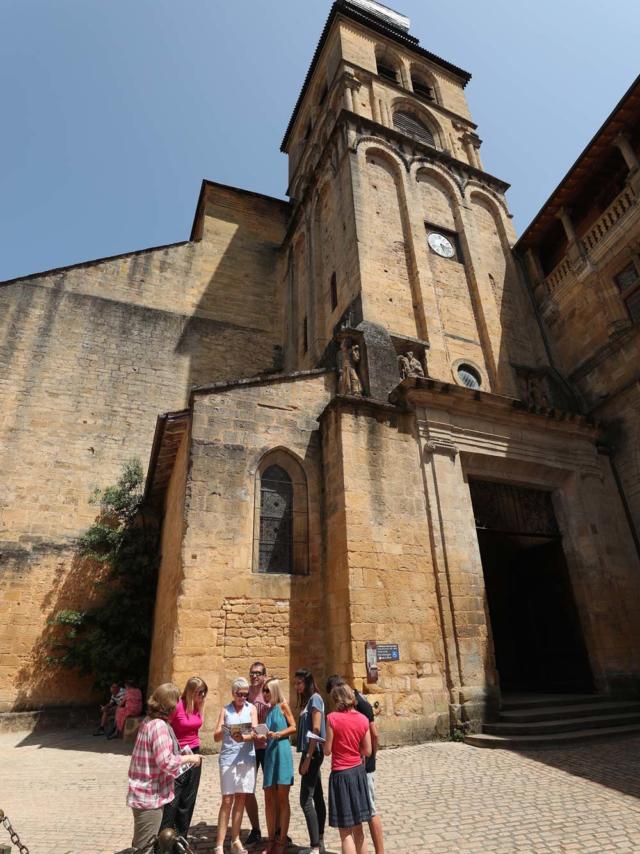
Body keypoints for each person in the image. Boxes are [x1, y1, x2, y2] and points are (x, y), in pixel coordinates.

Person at [126, 683, 202, 851]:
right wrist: (189, 758)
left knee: (143, 842)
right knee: (145, 847)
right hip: (149, 797)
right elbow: (165, 762)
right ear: (170, 705)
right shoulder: (159, 726)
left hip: (144, 793)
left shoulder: (149, 722)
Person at [326, 676, 384, 854]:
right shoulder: (362, 719)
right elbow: (367, 750)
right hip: (358, 773)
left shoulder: (331, 718)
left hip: (340, 774)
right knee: (359, 828)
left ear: (337, 700)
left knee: (345, 832)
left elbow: (327, 750)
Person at [214, 677, 259, 854]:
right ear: (233, 693)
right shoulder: (225, 710)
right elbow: (216, 736)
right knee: (227, 800)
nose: (243, 698)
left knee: (241, 799)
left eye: (245, 694)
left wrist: (242, 736)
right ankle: (219, 844)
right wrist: (227, 729)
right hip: (229, 758)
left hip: (246, 758)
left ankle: (235, 840)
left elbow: (255, 731)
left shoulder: (252, 708)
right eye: (240, 694)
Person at [160, 676, 208, 838]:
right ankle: (165, 839)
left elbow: (197, 725)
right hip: (179, 754)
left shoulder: (198, 705)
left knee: (188, 798)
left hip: (194, 752)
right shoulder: (178, 706)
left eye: (204, 692)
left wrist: (200, 705)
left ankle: (181, 838)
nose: (202, 696)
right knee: (173, 799)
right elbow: (165, 726)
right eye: (200, 692)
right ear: (190, 691)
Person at [261, 678, 296, 854]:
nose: (264, 694)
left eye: (267, 690)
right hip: (270, 753)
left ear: (274, 690)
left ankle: (282, 840)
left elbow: (294, 727)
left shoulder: (283, 706)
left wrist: (279, 734)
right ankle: (270, 839)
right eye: (263, 690)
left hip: (282, 751)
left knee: (282, 798)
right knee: (269, 798)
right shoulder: (268, 710)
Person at [294, 668, 327, 854]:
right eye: (295, 684)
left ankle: (315, 846)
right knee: (317, 796)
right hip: (310, 752)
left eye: (299, 683)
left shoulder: (315, 699)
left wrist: (307, 758)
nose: (297, 687)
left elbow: (315, 729)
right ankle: (319, 841)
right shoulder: (308, 700)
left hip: (313, 753)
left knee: (305, 800)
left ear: (306, 682)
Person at [245, 661, 270, 846]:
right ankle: (255, 829)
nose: (254, 676)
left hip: (268, 746)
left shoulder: (270, 690)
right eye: (252, 673)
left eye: (258, 673)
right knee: (247, 789)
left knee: (271, 789)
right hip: (250, 747)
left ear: (264, 675)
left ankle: (277, 830)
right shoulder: (245, 692)